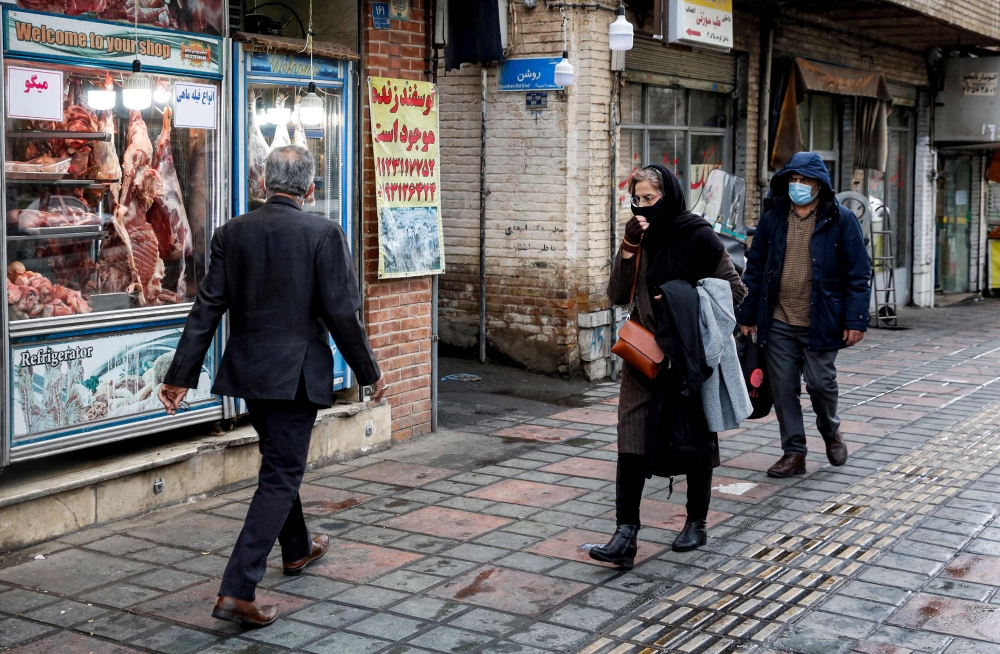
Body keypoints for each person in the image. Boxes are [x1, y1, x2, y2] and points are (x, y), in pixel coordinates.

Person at [158, 145, 386, 626]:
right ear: (310, 188)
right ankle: (237, 589)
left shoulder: (231, 233)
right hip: (297, 376)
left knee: (280, 461)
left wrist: (180, 376)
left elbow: (206, 309)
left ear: (263, 184)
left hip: (250, 375)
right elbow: (342, 314)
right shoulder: (324, 233)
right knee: (281, 473)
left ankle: (298, 548)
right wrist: (370, 372)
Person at [591, 165, 746, 568]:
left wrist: (681, 297)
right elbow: (616, 293)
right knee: (631, 440)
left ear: (670, 197)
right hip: (643, 357)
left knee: (694, 439)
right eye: (636, 199)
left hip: (687, 358)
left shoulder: (698, 235)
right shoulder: (639, 238)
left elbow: (735, 290)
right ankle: (625, 535)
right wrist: (627, 247)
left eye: (649, 199)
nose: (641, 207)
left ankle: (696, 521)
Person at [737, 151, 870, 478]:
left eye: (806, 180)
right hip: (779, 319)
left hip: (821, 321)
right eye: (793, 179)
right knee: (783, 389)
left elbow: (858, 274)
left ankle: (830, 430)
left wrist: (855, 321)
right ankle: (793, 452)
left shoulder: (841, 220)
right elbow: (755, 268)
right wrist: (748, 312)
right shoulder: (774, 217)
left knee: (821, 384)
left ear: (820, 185)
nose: (798, 186)